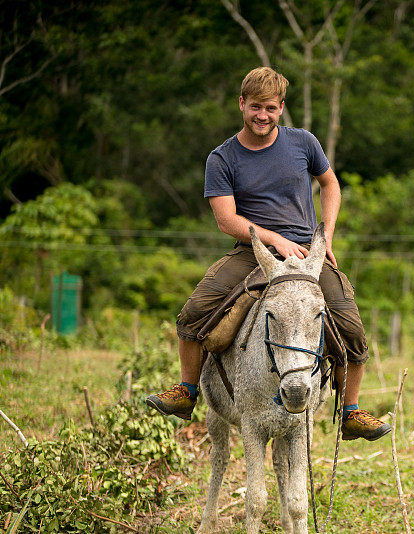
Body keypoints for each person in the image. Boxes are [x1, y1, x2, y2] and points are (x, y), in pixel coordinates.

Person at [146, 66, 390, 442]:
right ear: (242, 104)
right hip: (252, 252)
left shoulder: (303, 142)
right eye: (256, 107)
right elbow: (226, 219)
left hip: (308, 255)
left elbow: (330, 185)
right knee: (192, 315)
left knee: (352, 329)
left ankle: (351, 411)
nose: (263, 116)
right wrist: (274, 240)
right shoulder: (222, 158)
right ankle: (186, 391)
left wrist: (325, 237)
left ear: (281, 109)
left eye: (271, 108)